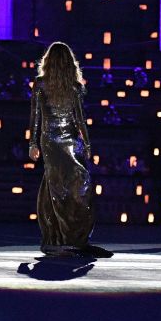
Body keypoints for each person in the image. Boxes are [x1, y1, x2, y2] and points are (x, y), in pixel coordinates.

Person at [28, 42, 111, 258]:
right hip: (59, 143)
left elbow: (76, 118)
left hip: (64, 142)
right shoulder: (43, 85)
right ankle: (61, 239)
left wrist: (33, 143)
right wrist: (33, 143)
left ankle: (68, 239)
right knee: (64, 188)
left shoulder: (69, 87)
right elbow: (39, 118)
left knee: (68, 187)